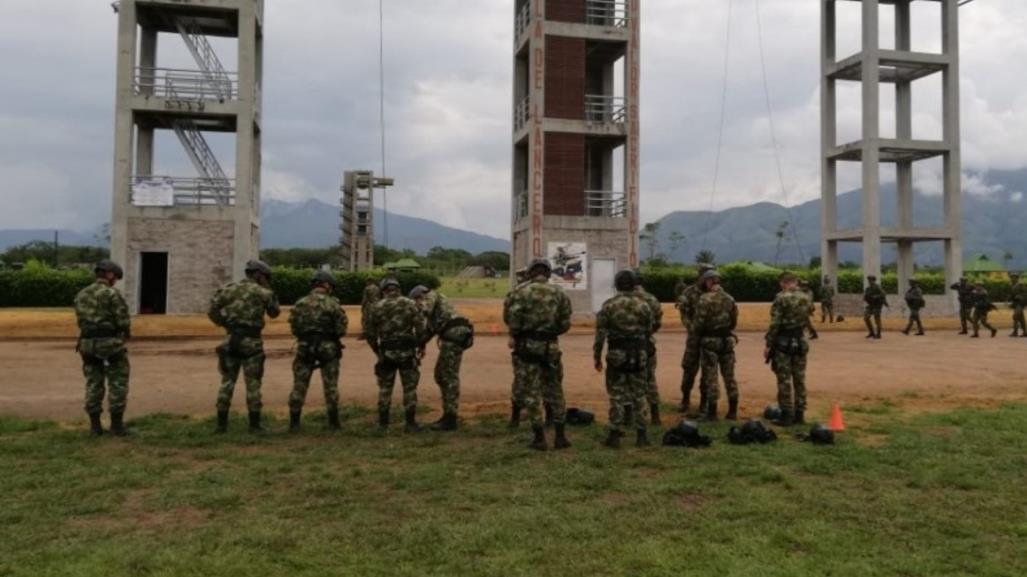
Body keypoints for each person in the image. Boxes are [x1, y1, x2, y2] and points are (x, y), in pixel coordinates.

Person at [506, 259, 573, 451]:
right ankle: (560, 437)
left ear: (529, 273)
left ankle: (539, 438)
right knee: (555, 389)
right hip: (551, 347)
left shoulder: (520, 292)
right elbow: (565, 323)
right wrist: (550, 333)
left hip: (527, 347)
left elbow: (511, 320)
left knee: (531, 391)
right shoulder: (560, 293)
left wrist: (521, 334)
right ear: (549, 273)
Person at [208, 260, 281, 433]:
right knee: (253, 384)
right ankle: (255, 425)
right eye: (264, 276)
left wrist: (226, 324)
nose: (265, 279)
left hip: (231, 340)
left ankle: (221, 425)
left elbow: (212, 310)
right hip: (252, 342)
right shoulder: (263, 292)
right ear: (258, 274)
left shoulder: (228, 289)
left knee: (227, 382)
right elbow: (274, 313)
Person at [594, 270, 654, 448]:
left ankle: (614, 435)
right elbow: (648, 330)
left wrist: (597, 357)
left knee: (617, 395)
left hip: (617, 354)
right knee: (639, 394)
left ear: (617, 284)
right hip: (638, 354)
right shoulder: (643, 305)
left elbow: (600, 336)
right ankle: (642, 436)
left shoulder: (609, 305)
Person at [74, 260, 131, 437]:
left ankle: (95, 427)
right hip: (109, 344)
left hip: (87, 344)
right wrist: (125, 332)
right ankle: (117, 426)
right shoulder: (112, 294)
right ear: (110, 275)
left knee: (93, 383)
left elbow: (80, 320)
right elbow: (123, 321)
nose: (115, 282)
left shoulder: (81, 294)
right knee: (118, 382)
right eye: (116, 278)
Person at [287, 270, 348, 432]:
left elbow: (294, 327)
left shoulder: (300, 303)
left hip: (305, 347)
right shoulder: (333, 304)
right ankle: (334, 423)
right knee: (330, 386)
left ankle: (294, 423)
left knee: (299, 384)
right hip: (328, 348)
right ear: (326, 285)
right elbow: (341, 329)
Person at [365, 278, 428, 432]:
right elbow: (420, 328)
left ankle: (383, 424)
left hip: (387, 352)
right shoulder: (410, 304)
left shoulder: (376, 307)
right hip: (407, 351)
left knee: (385, 388)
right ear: (398, 289)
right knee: (410, 388)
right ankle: (410, 423)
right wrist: (420, 345)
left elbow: (370, 333)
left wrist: (377, 351)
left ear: (384, 290)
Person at [411, 285, 474, 431]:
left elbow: (425, 310)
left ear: (420, 295)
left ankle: (451, 418)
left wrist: (416, 309)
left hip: (454, 335)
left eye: (417, 300)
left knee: (447, 376)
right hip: (454, 335)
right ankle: (448, 414)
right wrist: (420, 344)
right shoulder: (437, 309)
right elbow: (430, 330)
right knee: (441, 375)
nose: (418, 302)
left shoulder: (431, 295)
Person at [764, 272, 812, 426]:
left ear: (782, 283)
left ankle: (786, 415)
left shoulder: (781, 298)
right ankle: (800, 414)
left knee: (784, 379)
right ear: (796, 282)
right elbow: (808, 315)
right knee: (799, 379)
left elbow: (775, 323)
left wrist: (768, 343)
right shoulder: (806, 297)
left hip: (783, 342)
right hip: (800, 342)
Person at [692, 270, 740, 421]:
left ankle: (712, 413)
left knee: (711, 377)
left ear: (708, 282)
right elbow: (734, 321)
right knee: (730, 377)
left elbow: (698, 324)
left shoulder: (705, 299)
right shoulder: (730, 298)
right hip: (727, 341)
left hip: (710, 341)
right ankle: (732, 411)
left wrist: (698, 336)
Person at [676, 264, 714, 414]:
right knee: (689, 369)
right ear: (700, 276)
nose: (709, 278)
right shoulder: (689, 292)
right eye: (705, 275)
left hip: (710, 338)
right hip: (694, 338)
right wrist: (691, 328)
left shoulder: (716, 293)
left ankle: (704, 403)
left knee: (708, 371)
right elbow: (684, 314)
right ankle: (685, 399)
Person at [634, 270, 664, 426]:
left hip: (628, 346)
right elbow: (658, 322)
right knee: (650, 378)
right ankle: (655, 415)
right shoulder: (652, 299)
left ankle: (628, 416)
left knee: (628, 380)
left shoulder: (621, 299)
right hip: (647, 343)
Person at [504, 268, 530, 428]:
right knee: (547, 378)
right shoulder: (549, 290)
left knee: (521, 377)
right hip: (546, 342)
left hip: (522, 340)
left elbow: (508, 316)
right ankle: (549, 416)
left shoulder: (515, 293)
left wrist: (512, 335)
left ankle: (516, 416)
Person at [863, 275, 888, 339]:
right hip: (871, 305)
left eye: (870, 280)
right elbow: (865, 296)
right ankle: (872, 333)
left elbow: (883, 294)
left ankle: (878, 334)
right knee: (866, 317)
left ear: (874, 280)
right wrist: (866, 298)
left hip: (877, 306)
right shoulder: (868, 288)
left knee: (877, 320)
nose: (869, 281)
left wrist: (876, 297)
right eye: (868, 280)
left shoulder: (877, 287)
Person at [1009, 273, 1026, 338]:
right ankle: (1021, 332)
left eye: (1013, 277)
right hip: (1015, 304)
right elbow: (1012, 295)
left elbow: (1025, 293)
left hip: (1020, 303)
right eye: (1011, 277)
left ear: (1017, 278)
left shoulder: (1020, 285)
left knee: (1016, 316)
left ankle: (1017, 331)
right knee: (1021, 318)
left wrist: (1020, 296)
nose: (1012, 278)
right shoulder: (1012, 285)